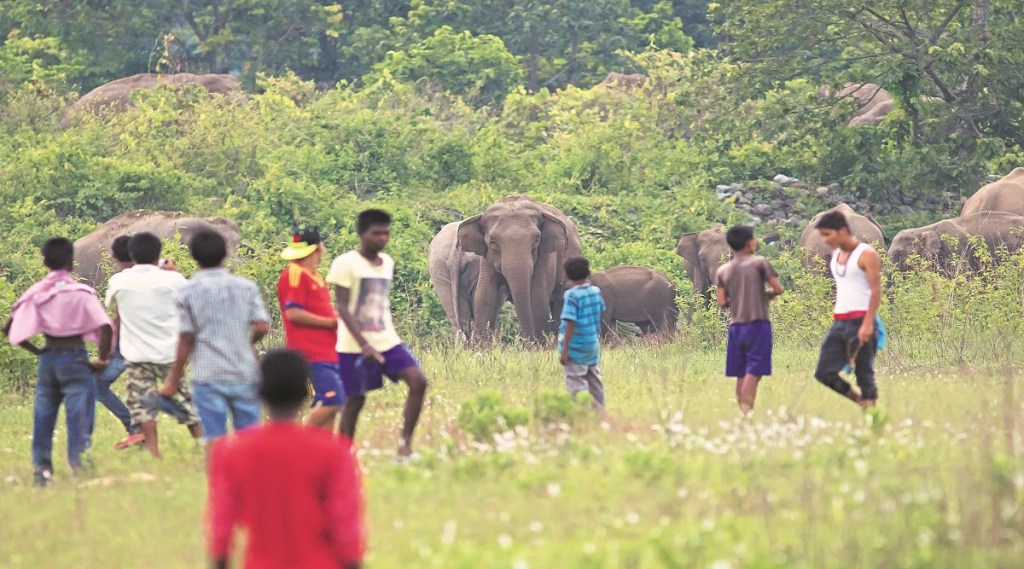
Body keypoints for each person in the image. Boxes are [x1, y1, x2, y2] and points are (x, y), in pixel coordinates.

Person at [208, 349, 365, 569]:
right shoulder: (334, 451)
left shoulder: (232, 451)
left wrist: (219, 561)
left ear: (259, 392)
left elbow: (222, 524)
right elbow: (346, 524)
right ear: (304, 393)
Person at [3, 238, 113, 486]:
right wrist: (103, 359)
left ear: (44, 262)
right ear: (70, 262)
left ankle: (42, 470)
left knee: (44, 415)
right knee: (78, 415)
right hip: (76, 358)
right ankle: (79, 464)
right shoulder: (81, 293)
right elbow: (105, 327)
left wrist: (38, 351)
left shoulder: (36, 292)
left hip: (49, 358)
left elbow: (9, 328)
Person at [326, 209, 428, 460]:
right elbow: (342, 307)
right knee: (355, 400)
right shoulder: (345, 263)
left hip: (387, 339)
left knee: (418, 381)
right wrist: (364, 344)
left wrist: (383, 341)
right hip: (353, 344)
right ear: (362, 234)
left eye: (386, 233)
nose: (382, 238)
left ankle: (405, 447)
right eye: (376, 233)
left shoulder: (388, 263)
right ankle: (343, 454)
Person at [159, 230, 270, 442]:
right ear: (226, 254)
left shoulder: (186, 292)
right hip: (243, 371)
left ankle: (219, 474)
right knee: (249, 438)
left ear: (193, 256)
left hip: (208, 374)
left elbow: (187, 338)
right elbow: (262, 326)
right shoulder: (246, 287)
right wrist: (246, 344)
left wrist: (173, 380)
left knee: (215, 439)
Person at [107, 232, 201, 459]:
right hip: (169, 354)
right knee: (187, 403)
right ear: (158, 253)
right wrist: (173, 272)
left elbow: (112, 304)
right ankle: (203, 445)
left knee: (142, 405)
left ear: (131, 254)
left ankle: (154, 453)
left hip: (136, 355)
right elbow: (191, 298)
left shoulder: (119, 281)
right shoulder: (173, 280)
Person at [813, 210, 883, 409]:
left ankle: (872, 417)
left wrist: (869, 323)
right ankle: (862, 403)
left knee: (864, 374)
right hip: (840, 322)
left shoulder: (867, 254)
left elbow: (875, 290)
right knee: (824, 372)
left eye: (827, 234)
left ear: (842, 230)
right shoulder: (835, 256)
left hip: (861, 320)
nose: (824, 240)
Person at [277, 226, 343, 430]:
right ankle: (299, 441)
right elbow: (293, 313)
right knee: (333, 399)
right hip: (310, 351)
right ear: (319, 248)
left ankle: (321, 455)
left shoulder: (314, 276)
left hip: (329, 351)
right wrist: (331, 323)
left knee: (330, 406)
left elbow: (321, 311)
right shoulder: (294, 274)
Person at [715, 225, 785, 414]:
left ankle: (743, 413)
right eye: (754, 239)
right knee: (753, 372)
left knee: (741, 372)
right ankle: (746, 413)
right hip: (758, 325)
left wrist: (737, 299)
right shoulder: (760, 263)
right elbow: (778, 289)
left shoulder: (723, 270)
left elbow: (721, 302)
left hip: (736, 327)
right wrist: (764, 296)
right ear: (749, 243)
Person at [97, 235, 146, 449]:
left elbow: (117, 318)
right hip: (148, 343)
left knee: (97, 384)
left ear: (114, 255)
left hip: (125, 345)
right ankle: (139, 430)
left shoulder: (119, 280)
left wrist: (107, 351)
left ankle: (135, 428)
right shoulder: (150, 276)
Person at [558, 257, 607, 409]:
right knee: (594, 380)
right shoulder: (595, 291)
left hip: (576, 348)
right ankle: (600, 412)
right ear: (588, 272)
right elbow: (600, 310)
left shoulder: (572, 296)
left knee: (576, 382)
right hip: (592, 345)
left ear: (566, 274)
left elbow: (570, 323)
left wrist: (565, 350)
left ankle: (583, 413)